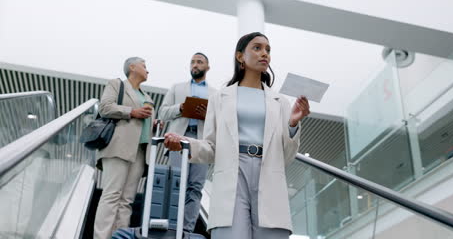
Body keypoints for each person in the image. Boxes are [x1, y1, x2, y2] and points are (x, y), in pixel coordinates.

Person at [164, 32, 310, 239]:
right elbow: (212, 147)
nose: (264, 54)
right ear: (240, 56)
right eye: (257, 48)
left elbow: (286, 157)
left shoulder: (281, 102)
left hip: (268, 174)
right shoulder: (219, 98)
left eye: (268, 50)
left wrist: (293, 124)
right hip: (233, 173)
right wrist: (186, 143)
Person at [94, 57, 155, 239]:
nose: (147, 70)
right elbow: (105, 107)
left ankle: (120, 236)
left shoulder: (147, 97)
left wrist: (153, 122)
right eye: (144, 66)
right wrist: (131, 112)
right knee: (112, 195)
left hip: (139, 151)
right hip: (118, 147)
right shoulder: (116, 84)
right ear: (132, 67)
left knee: (127, 200)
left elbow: (145, 122)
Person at [158, 52, 217, 232]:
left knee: (195, 187)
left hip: (202, 143)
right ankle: (172, 227)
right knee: (177, 182)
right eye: (192, 62)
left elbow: (220, 120)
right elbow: (163, 113)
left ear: (207, 67)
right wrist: (182, 107)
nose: (195, 65)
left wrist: (209, 114)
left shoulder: (216, 94)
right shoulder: (177, 88)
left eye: (199, 62)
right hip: (178, 139)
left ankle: (187, 230)